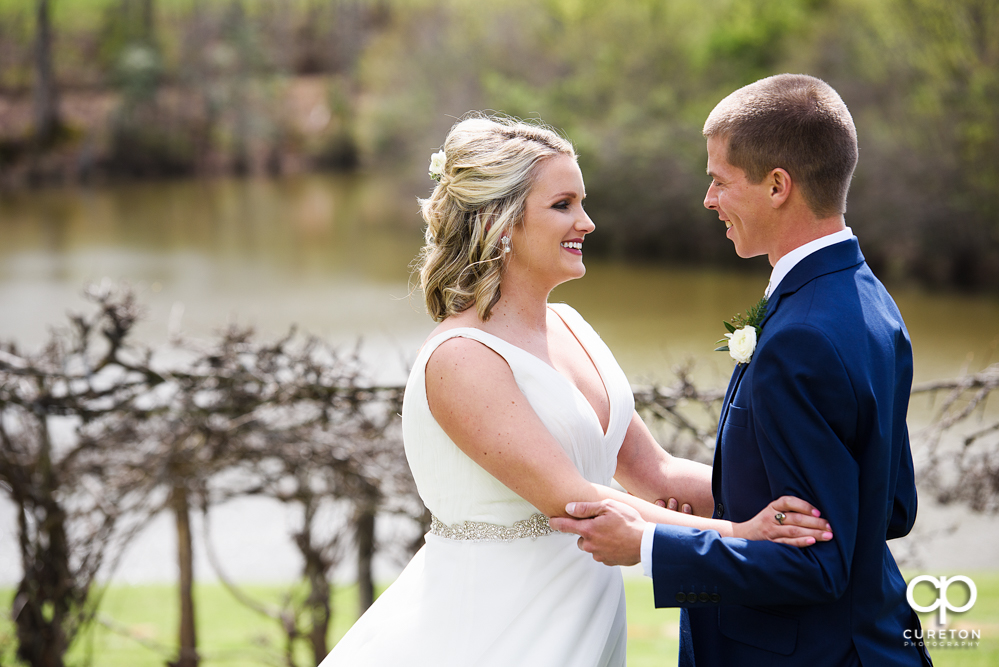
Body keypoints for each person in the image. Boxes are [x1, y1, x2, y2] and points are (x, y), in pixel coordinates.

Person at [318, 114, 833, 667]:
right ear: (502, 223)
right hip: (499, 623)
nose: (587, 222)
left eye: (582, 203)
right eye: (563, 205)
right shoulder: (461, 357)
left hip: (584, 613)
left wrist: (804, 502)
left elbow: (654, 474)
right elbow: (577, 499)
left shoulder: (571, 326)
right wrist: (741, 535)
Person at [551, 74, 932, 666]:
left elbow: (816, 564)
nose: (708, 200)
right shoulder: (868, 300)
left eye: (719, 181)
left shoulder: (802, 335)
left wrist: (648, 546)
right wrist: (734, 503)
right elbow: (892, 505)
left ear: (778, 185)